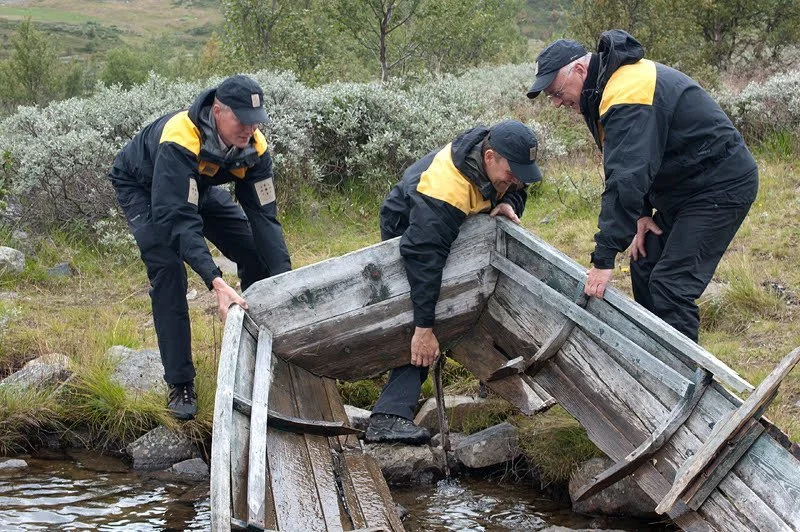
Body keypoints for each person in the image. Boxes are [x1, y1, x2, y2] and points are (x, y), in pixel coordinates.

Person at [526, 30, 758, 343]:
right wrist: (643, 214)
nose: (555, 103)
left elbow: (626, 178)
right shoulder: (602, 90)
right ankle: (654, 355)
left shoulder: (628, 91)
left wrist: (603, 260)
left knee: (671, 285)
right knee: (644, 264)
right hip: (685, 187)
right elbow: (639, 157)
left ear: (579, 70)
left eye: (555, 92)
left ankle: (681, 372)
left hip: (719, 185)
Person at [108, 75, 292, 419]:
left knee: (256, 252)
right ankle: (180, 383)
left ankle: (262, 348)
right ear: (218, 111)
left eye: (255, 120)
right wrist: (216, 280)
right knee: (168, 270)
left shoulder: (254, 147)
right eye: (242, 119)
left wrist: (285, 283)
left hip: (195, 186)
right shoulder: (180, 138)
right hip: (144, 187)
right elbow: (179, 220)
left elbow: (264, 218)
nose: (249, 128)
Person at [365, 120, 543, 444]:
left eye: (521, 174)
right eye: (512, 173)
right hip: (409, 225)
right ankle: (389, 415)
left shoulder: (500, 161)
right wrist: (423, 329)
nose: (516, 181)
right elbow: (424, 259)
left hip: (450, 223)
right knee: (426, 312)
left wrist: (508, 201)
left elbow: (518, 189)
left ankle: (491, 382)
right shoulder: (446, 189)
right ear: (489, 157)